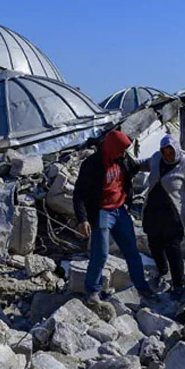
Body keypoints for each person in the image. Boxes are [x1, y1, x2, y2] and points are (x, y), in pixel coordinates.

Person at [73, 130, 155, 304]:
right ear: (112, 147)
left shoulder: (122, 159)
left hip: (120, 210)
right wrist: (83, 219)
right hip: (101, 211)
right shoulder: (92, 165)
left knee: (132, 251)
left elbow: (133, 169)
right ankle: (92, 290)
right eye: (121, 149)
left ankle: (142, 288)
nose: (124, 153)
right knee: (100, 253)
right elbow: (79, 193)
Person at [138, 133, 185, 296]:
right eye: (165, 153)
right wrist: (126, 162)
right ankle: (162, 271)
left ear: (176, 150)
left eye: (170, 153)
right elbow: (144, 163)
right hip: (154, 210)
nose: (168, 156)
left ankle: (178, 285)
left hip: (174, 213)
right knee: (154, 243)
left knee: (173, 248)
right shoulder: (156, 158)